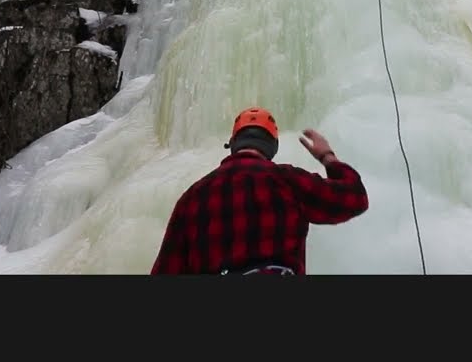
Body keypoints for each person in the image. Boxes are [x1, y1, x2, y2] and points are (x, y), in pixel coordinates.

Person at [150, 106, 369, 275]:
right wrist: (327, 156)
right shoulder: (288, 181)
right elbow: (354, 197)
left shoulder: (193, 199)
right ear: (272, 146)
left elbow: (166, 270)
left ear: (233, 143)